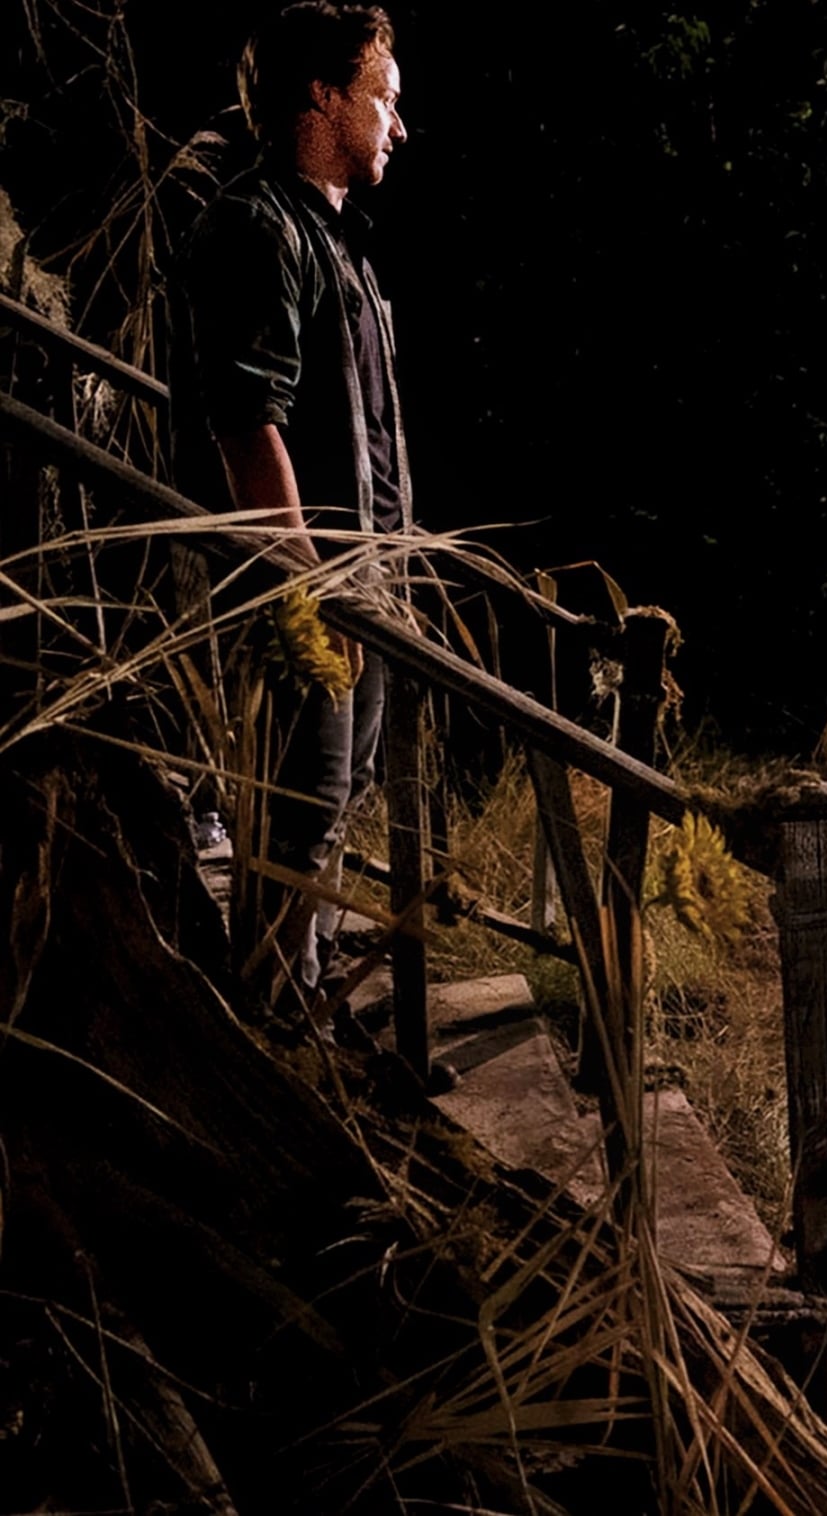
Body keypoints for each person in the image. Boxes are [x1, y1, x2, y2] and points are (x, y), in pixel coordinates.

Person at [175, 1, 414, 1006]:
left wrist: (388, 575)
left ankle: (301, 1002)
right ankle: (275, 1024)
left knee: (337, 796)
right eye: (383, 99)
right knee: (299, 804)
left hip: (368, 583)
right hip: (311, 595)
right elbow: (246, 423)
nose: (399, 126)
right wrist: (309, 596)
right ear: (323, 96)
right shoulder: (258, 227)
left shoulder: (337, 239)